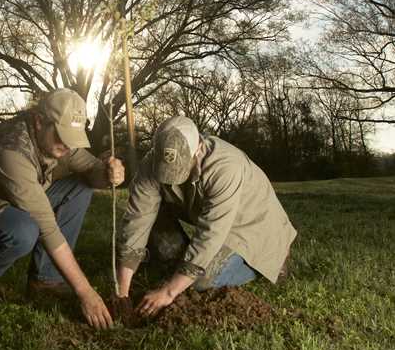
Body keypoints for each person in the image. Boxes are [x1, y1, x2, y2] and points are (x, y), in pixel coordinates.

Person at [0, 88, 124, 330]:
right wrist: (86, 293)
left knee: (79, 187)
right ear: (40, 122)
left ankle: (46, 280)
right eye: (62, 136)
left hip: (8, 203)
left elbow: (92, 170)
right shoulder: (12, 150)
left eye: (71, 138)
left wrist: (109, 173)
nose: (66, 145)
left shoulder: (58, 141)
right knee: (25, 230)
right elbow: (47, 228)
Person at [117, 115, 297, 317]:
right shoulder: (150, 164)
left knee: (200, 282)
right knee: (156, 225)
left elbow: (210, 234)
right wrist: (122, 292)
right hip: (212, 221)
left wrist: (170, 292)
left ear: (198, 149)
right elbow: (137, 218)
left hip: (250, 227)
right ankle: (178, 271)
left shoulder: (226, 166)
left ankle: (269, 262)